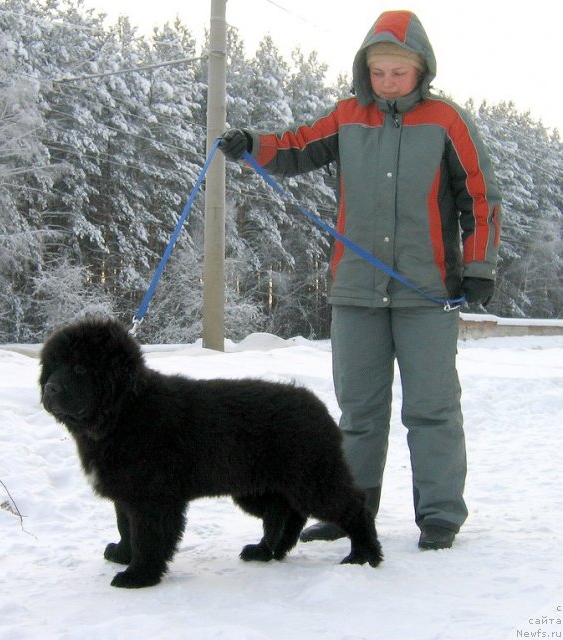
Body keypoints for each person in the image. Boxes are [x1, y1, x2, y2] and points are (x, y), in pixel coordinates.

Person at [219, 10, 501, 550]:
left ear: (421, 70)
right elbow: (297, 144)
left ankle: (440, 514)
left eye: (400, 73)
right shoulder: (348, 116)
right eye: (379, 73)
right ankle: (349, 507)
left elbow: (481, 197)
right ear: (364, 71)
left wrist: (479, 266)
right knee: (359, 409)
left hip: (429, 291)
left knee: (432, 408)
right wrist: (252, 143)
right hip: (356, 289)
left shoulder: (447, 121)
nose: (388, 82)